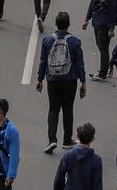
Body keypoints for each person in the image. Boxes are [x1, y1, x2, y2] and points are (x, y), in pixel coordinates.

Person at [36, 11, 87, 154]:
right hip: (70, 79)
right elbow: (80, 63)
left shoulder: (47, 41)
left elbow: (42, 61)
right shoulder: (74, 42)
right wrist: (83, 82)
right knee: (68, 109)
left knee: (53, 109)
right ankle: (67, 140)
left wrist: (40, 79)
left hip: (52, 79)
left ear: (56, 24)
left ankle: (52, 140)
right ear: (68, 24)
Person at [52, 123, 102, 190]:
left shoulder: (68, 156)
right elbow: (97, 184)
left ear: (78, 137)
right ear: (92, 139)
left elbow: (59, 179)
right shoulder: (96, 160)